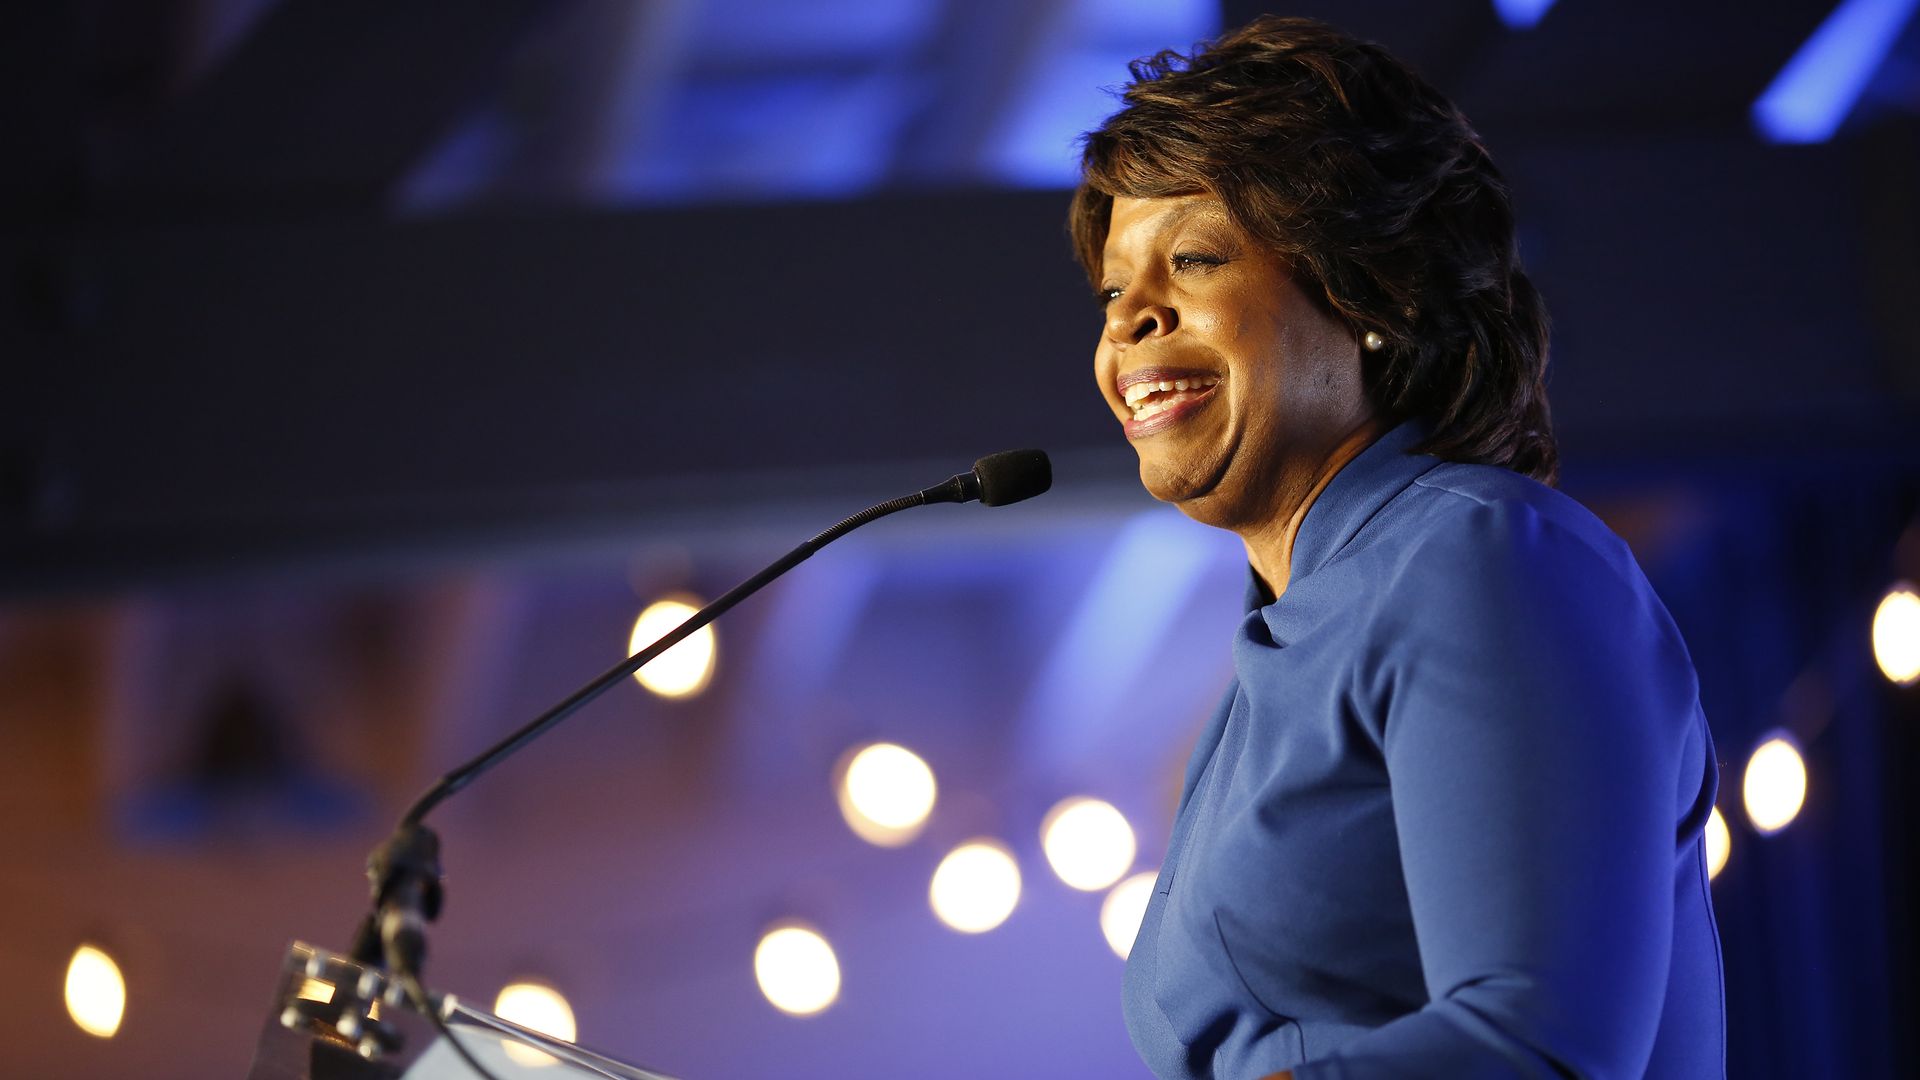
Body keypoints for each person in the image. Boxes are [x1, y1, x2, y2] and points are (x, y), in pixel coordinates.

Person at [1070, 16, 1723, 1079]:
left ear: (1366, 292)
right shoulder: (1265, 672)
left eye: (1191, 260)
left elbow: (1537, 1046)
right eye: (1111, 291)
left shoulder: (1482, 559)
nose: (1130, 320)